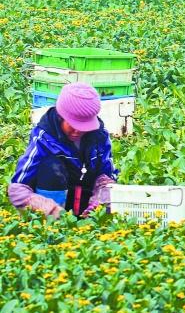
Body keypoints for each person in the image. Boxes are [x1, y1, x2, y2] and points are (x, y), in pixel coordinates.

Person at [8, 82, 119, 218]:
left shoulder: (99, 137)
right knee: (51, 167)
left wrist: (98, 205)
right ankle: (53, 227)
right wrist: (48, 208)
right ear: (61, 116)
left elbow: (107, 177)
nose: (77, 131)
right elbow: (17, 189)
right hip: (51, 212)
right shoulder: (43, 138)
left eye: (84, 126)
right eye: (72, 124)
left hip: (87, 214)